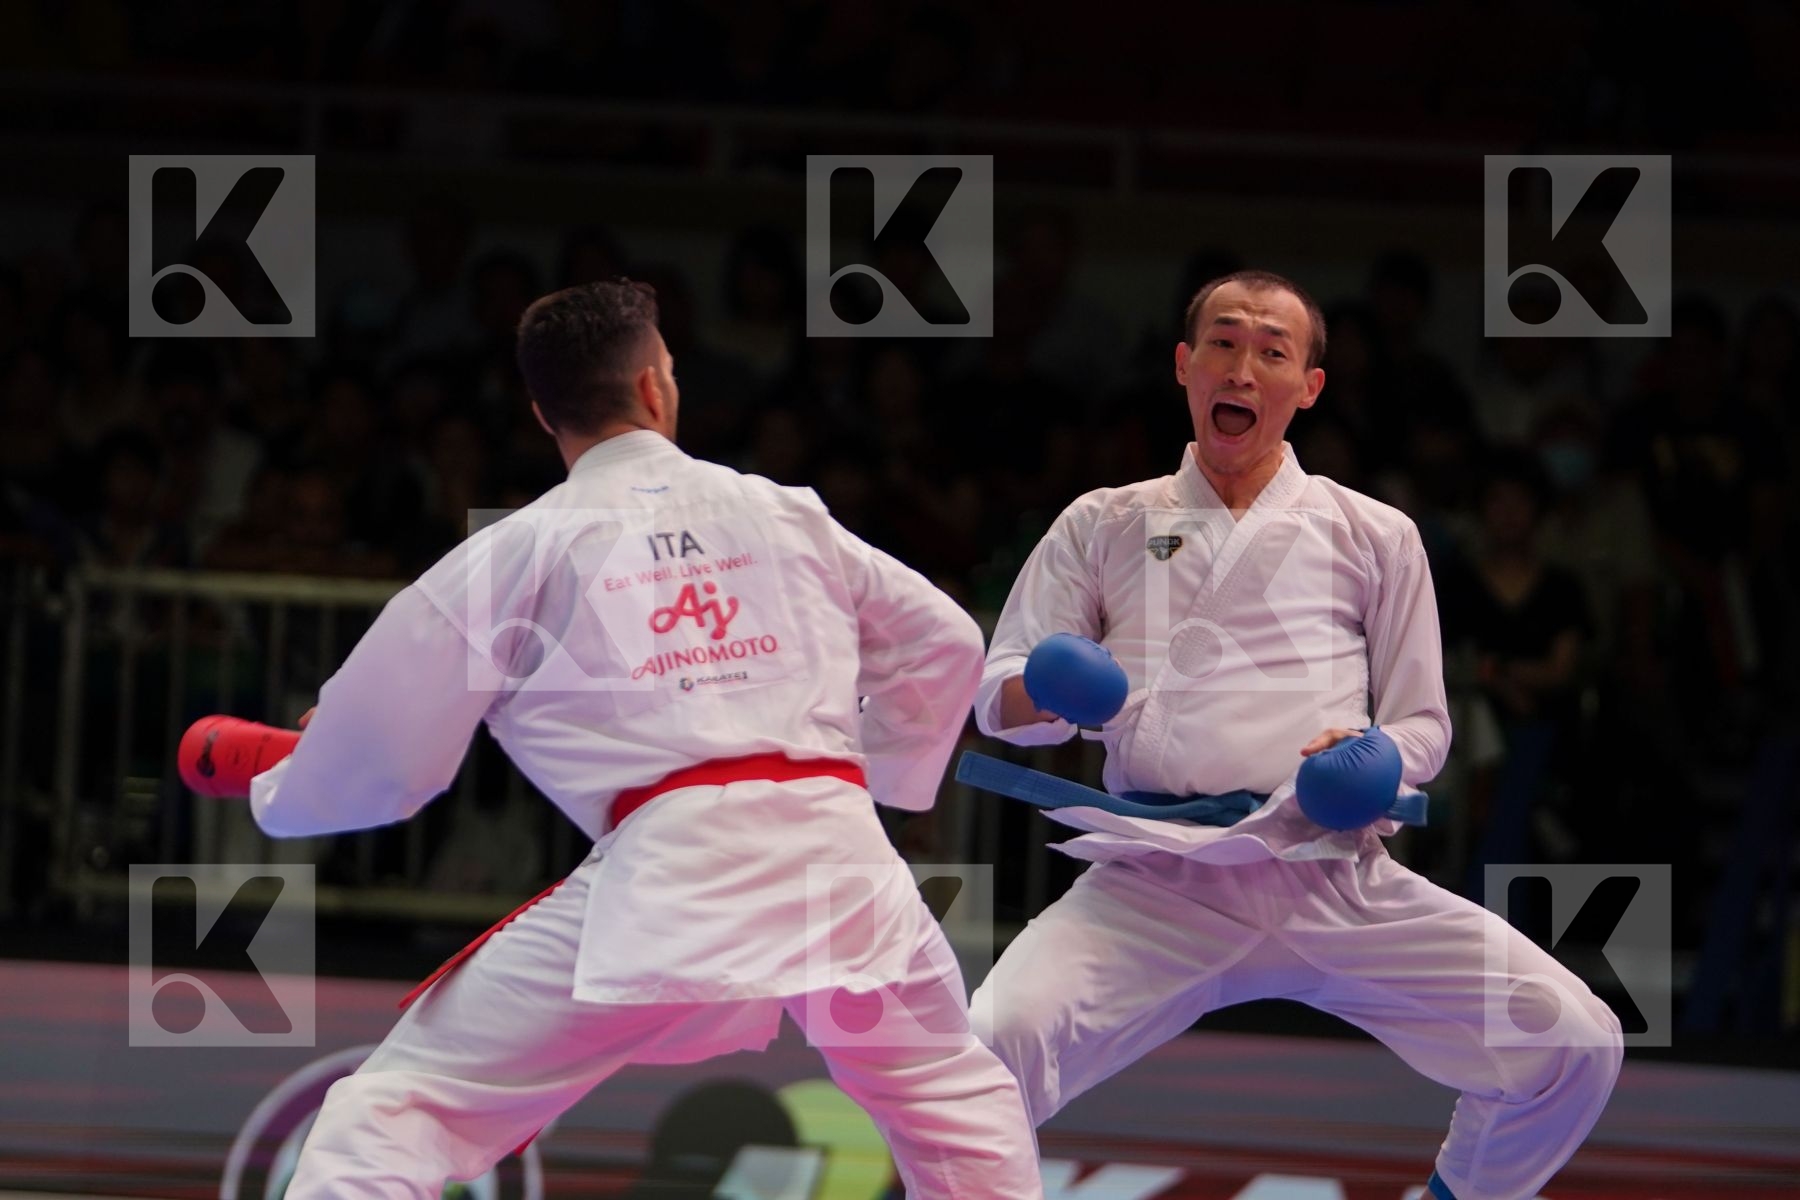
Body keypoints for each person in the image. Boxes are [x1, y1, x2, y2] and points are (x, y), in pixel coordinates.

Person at [249, 280, 1043, 1199]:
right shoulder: (784, 511)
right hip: (839, 856)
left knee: (400, 1110)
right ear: (658, 386)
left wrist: (295, 778)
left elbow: (384, 750)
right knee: (949, 1096)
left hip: (674, 873)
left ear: (542, 412)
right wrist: (889, 782)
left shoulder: (521, 548)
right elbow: (945, 642)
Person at [970, 270, 1623, 1200]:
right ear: (1185, 366)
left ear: (1308, 386)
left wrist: (1375, 762)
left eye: (1272, 350)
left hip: (1328, 866)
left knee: (1574, 1042)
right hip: (1159, 880)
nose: (1244, 366)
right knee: (979, 1058)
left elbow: (1425, 720)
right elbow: (997, 700)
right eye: (1224, 343)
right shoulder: (1103, 521)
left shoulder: (1376, 532)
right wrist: (1051, 688)